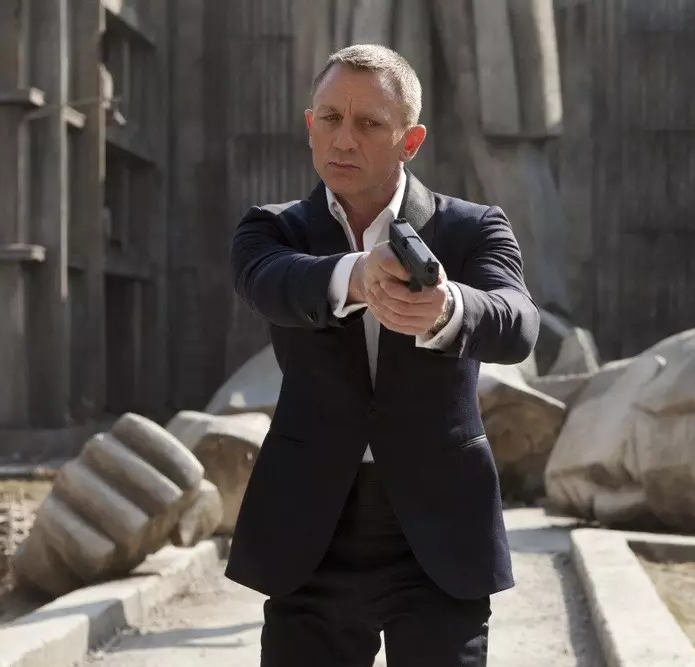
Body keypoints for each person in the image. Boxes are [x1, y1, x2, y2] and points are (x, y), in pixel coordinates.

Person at [225, 43, 540, 667]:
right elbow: (269, 283)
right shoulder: (273, 228)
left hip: (440, 534)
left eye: (369, 123)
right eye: (330, 118)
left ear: (410, 141)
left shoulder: (474, 227)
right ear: (310, 126)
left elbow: (519, 322)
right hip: (310, 533)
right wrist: (355, 276)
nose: (344, 139)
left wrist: (450, 309)